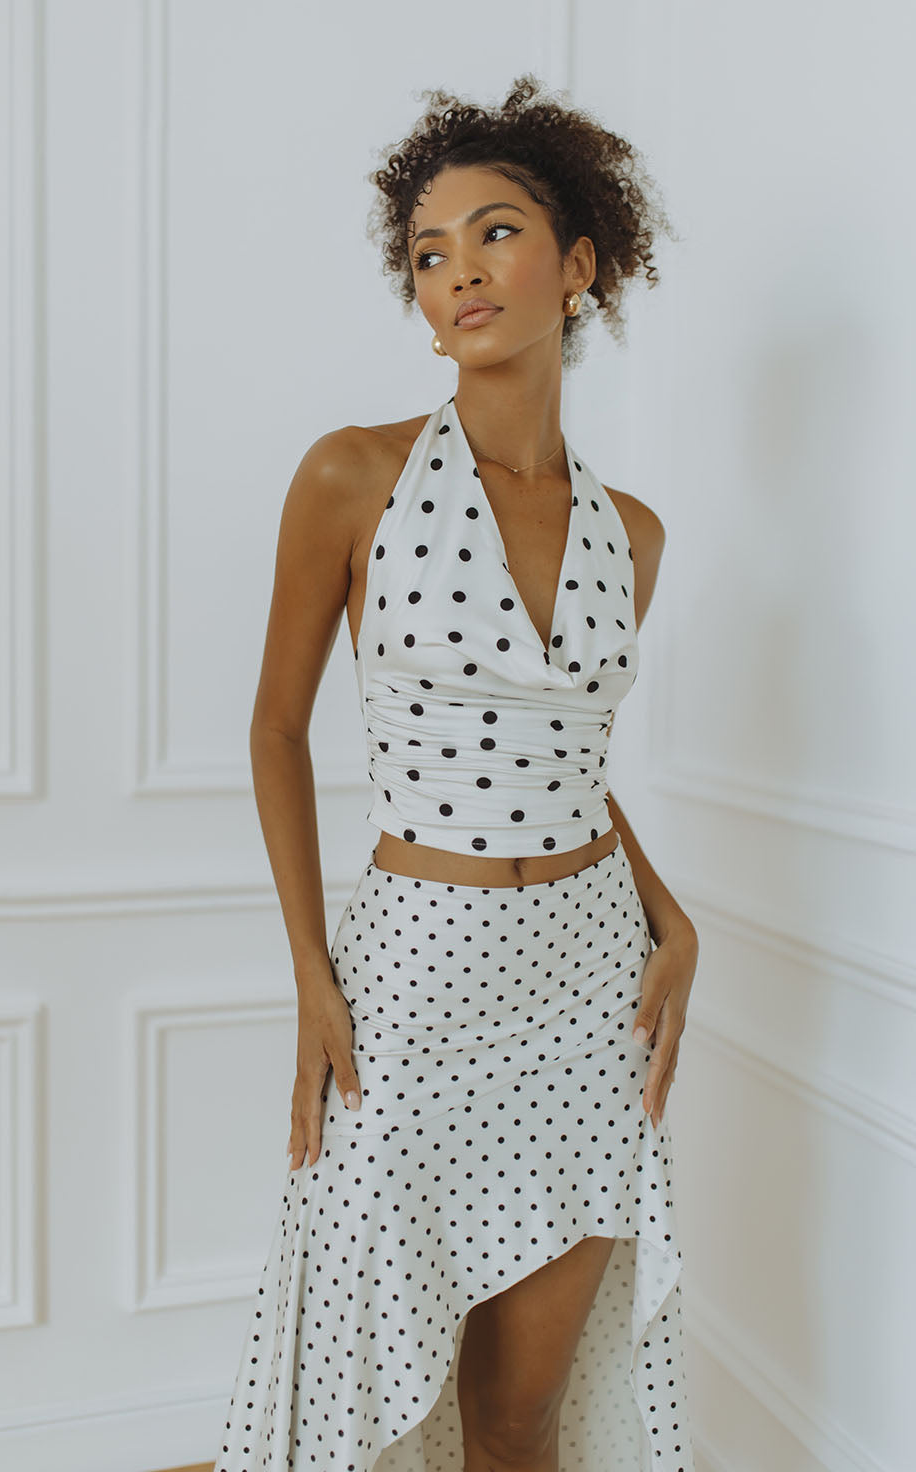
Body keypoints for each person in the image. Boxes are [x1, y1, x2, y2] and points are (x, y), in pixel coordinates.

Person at [213, 75, 698, 1472]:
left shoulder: (634, 534)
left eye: (495, 234)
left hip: (587, 978)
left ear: (580, 264)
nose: (460, 273)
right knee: (376, 1391)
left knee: (518, 1419)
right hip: (417, 975)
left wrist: (669, 915)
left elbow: (561, 759)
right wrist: (313, 975)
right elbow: (274, 729)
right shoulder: (352, 476)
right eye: (430, 255)